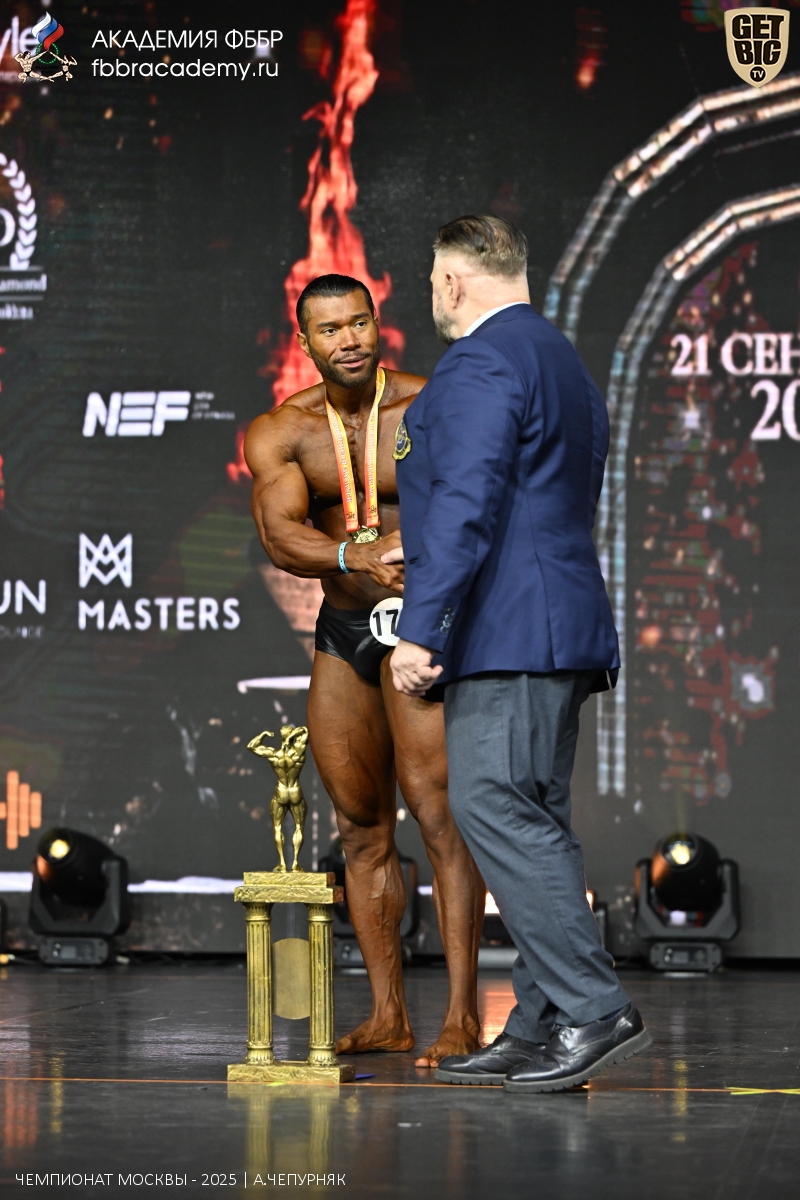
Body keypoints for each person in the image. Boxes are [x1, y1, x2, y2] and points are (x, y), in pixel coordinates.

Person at [388, 216, 651, 1092]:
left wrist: (423, 626)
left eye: (433, 281)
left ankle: (594, 1009)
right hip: (556, 622)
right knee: (535, 816)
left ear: (453, 282)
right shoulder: (563, 362)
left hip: (508, 630)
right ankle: (540, 1025)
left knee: (493, 802)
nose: (433, 295)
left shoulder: (480, 361)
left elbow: (466, 500)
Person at [245, 273, 484, 1067]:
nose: (348, 340)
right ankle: (388, 1015)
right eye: (329, 329)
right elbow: (281, 536)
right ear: (303, 341)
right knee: (359, 824)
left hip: (423, 627)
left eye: (358, 322)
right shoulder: (283, 431)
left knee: (439, 817)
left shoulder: (428, 405)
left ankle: (462, 1017)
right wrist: (356, 556)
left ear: (378, 322)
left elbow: (475, 505)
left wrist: (419, 560)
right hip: (346, 627)